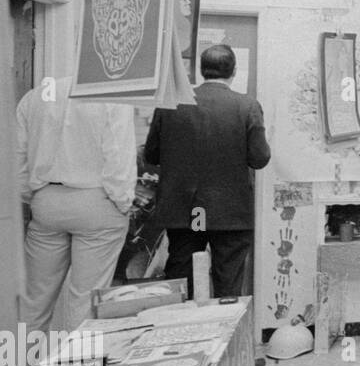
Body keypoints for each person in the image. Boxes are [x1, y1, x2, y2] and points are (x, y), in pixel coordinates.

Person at [145, 45, 271, 299]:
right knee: (229, 285)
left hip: (185, 211)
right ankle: (225, 334)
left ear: (201, 71)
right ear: (234, 71)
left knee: (183, 282)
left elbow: (151, 155)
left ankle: (186, 334)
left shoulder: (171, 103)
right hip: (230, 213)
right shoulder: (247, 106)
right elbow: (259, 159)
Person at [16, 76, 135, 333]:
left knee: (33, 301)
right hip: (97, 201)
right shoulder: (112, 96)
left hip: (46, 201)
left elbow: (18, 157)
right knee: (85, 300)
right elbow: (118, 156)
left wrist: (31, 195)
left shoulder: (35, 96)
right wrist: (123, 201)